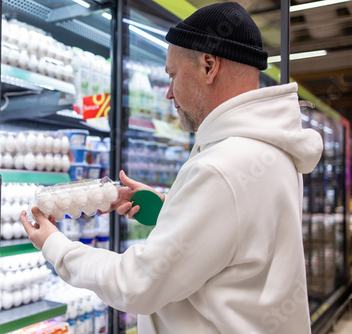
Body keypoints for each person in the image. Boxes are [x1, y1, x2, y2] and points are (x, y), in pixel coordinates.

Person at [20, 2, 323, 333]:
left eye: (172, 75)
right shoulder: (269, 147)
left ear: (209, 66)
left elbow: (137, 285)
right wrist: (173, 210)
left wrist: (56, 246)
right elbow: (236, 236)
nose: (168, 93)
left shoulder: (223, 167)